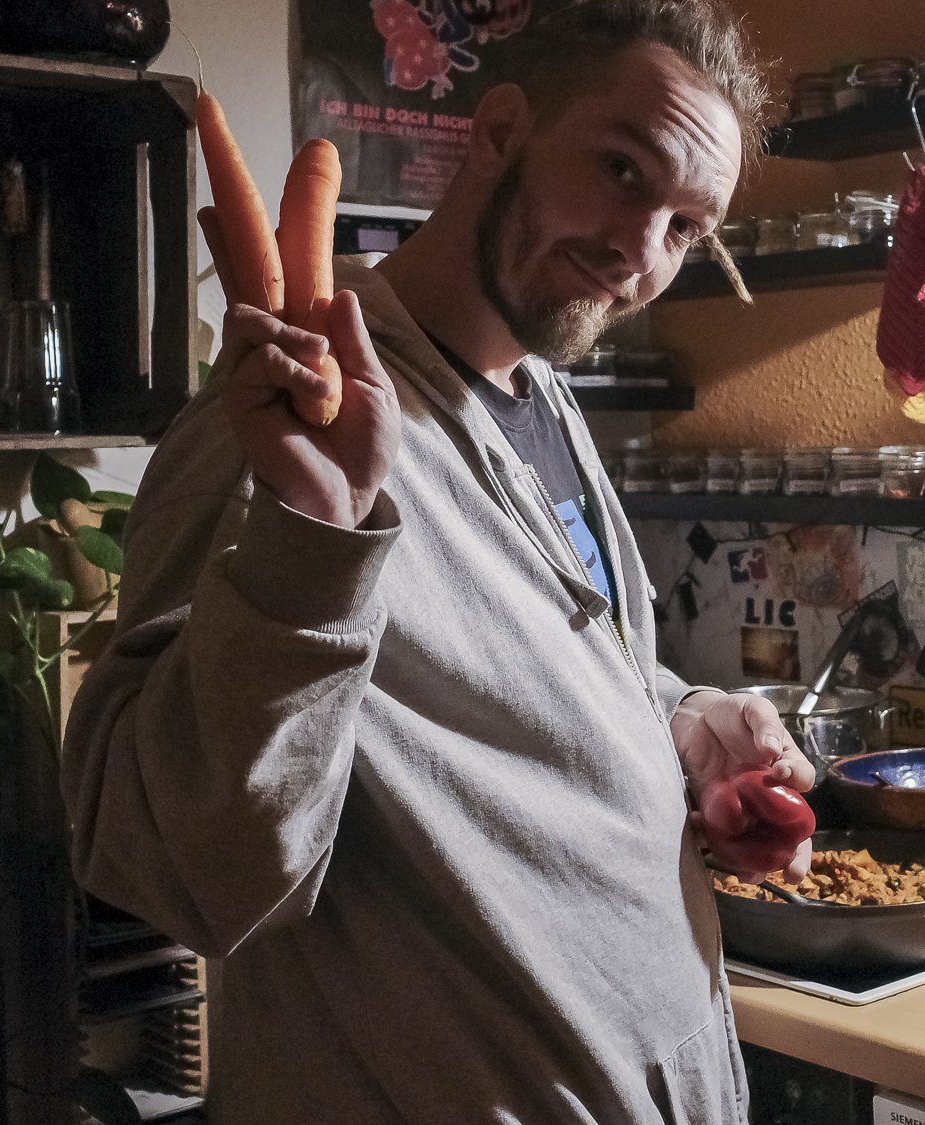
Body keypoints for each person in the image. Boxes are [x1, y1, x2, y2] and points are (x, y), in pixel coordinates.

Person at [59, 4, 806, 1122]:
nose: (640, 252)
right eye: (620, 171)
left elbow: (522, 670)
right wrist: (313, 534)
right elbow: (173, 865)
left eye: (687, 228)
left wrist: (680, 722)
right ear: (499, 130)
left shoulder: (537, 395)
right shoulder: (282, 423)